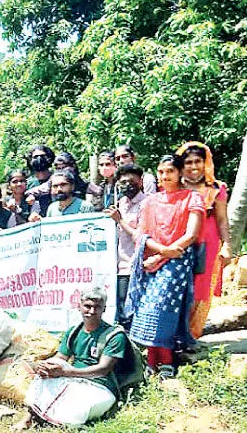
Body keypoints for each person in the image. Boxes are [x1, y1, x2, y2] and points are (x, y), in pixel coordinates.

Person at [125, 155, 204, 377]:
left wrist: (164, 255)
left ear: (180, 173)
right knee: (148, 309)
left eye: (169, 171)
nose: (164, 176)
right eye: (160, 172)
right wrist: (160, 252)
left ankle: (166, 361)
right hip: (151, 260)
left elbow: (191, 235)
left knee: (164, 308)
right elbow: (141, 236)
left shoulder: (192, 198)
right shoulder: (150, 202)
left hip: (177, 261)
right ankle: (152, 361)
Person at [26, 287, 125, 427]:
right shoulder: (73, 332)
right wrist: (43, 367)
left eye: (97, 307)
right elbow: (61, 357)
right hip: (72, 379)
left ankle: (54, 421)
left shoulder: (115, 335)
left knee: (75, 408)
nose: (91, 311)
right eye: (88, 306)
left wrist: (65, 372)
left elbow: (103, 369)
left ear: (104, 309)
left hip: (100, 386)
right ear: (79, 306)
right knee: (49, 367)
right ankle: (28, 416)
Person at [177, 142, 231, 339]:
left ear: (205, 162)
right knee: (179, 288)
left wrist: (227, 246)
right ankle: (174, 337)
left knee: (201, 292)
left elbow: (223, 220)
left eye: (198, 161)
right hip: (179, 243)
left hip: (208, 245)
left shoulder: (216, 188)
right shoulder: (173, 185)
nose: (193, 166)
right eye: (188, 162)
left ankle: (192, 337)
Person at [104, 164, 148, 326]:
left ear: (140, 182)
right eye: (122, 182)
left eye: (131, 181)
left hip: (135, 264)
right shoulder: (121, 202)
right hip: (118, 263)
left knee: (133, 309)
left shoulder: (146, 204)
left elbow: (140, 236)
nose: (126, 186)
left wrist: (119, 220)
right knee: (121, 308)